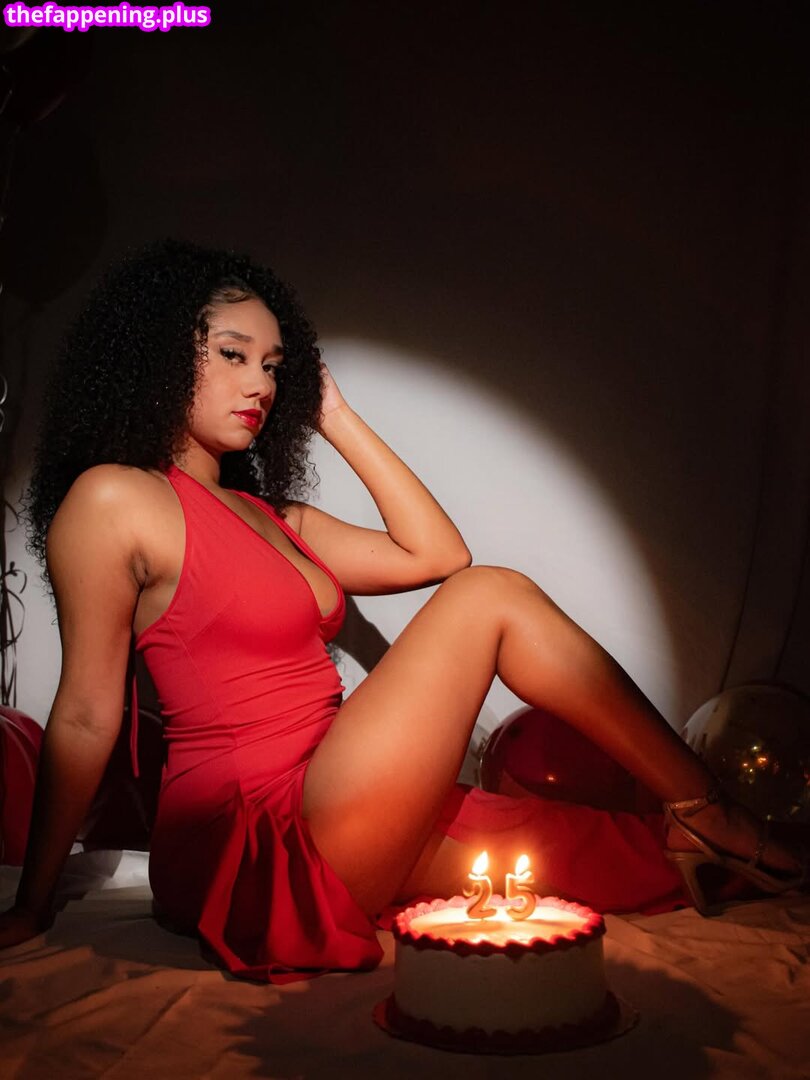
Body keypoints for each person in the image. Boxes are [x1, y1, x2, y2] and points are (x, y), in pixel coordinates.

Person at [0, 238, 805, 980]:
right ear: (156, 354)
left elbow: (435, 553)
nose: (262, 385)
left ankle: (704, 834)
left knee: (607, 856)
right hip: (254, 839)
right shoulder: (115, 499)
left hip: (348, 798)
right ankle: (710, 805)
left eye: (276, 366)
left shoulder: (278, 518)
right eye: (233, 354)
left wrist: (336, 415)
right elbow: (86, 715)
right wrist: (35, 903)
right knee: (490, 597)